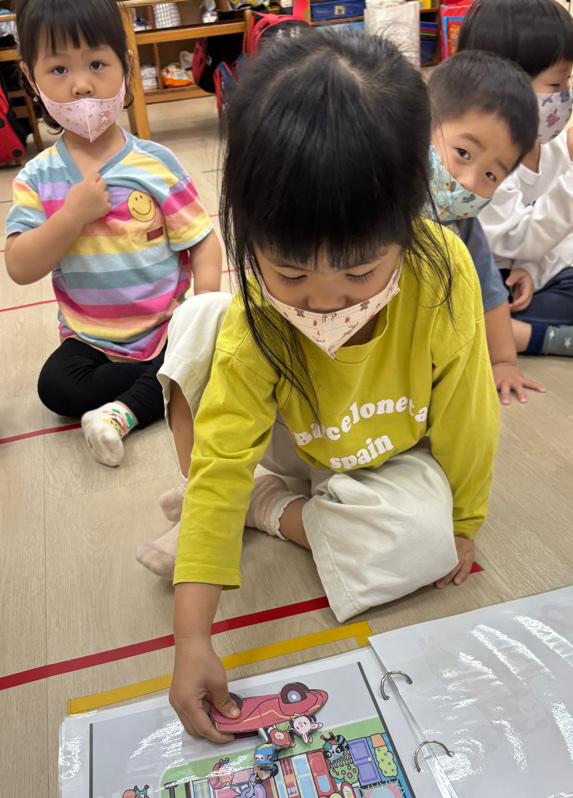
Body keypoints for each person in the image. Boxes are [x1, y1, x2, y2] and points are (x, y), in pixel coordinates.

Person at [138, 31, 499, 741]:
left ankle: (266, 507)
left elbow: (469, 416)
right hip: (288, 437)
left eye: (360, 273)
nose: (326, 301)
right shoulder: (259, 316)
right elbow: (221, 463)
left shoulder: (444, 274)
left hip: (384, 458)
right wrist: (191, 639)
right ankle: (246, 497)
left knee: (422, 540)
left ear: (409, 221)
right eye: (292, 273)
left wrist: (462, 526)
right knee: (202, 319)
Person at [4, 0, 221, 466]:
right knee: (55, 388)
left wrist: (202, 309)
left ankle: (119, 413)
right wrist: (70, 217)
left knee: (197, 350)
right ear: (31, 79)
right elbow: (19, 267)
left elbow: (201, 239)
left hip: (163, 328)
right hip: (90, 340)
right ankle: (159, 389)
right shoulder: (37, 178)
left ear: (126, 64)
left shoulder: (155, 164)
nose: (81, 85)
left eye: (97, 64)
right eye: (58, 69)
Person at [458, 0, 573, 360]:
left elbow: (559, 240)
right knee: (465, 307)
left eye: (568, 80)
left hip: (527, 278)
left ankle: (507, 332)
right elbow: (518, 237)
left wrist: (531, 270)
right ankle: (520, 336)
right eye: (555, 83)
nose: (566, 95)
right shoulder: (485, 164)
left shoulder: (552, 147)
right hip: (487, 284)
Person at [428, 50, 544, 404]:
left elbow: (489, 293)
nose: (469, 181)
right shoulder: (380, 193)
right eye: (463, 153)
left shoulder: (461, 223)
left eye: (492, 175)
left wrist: (504, 362)